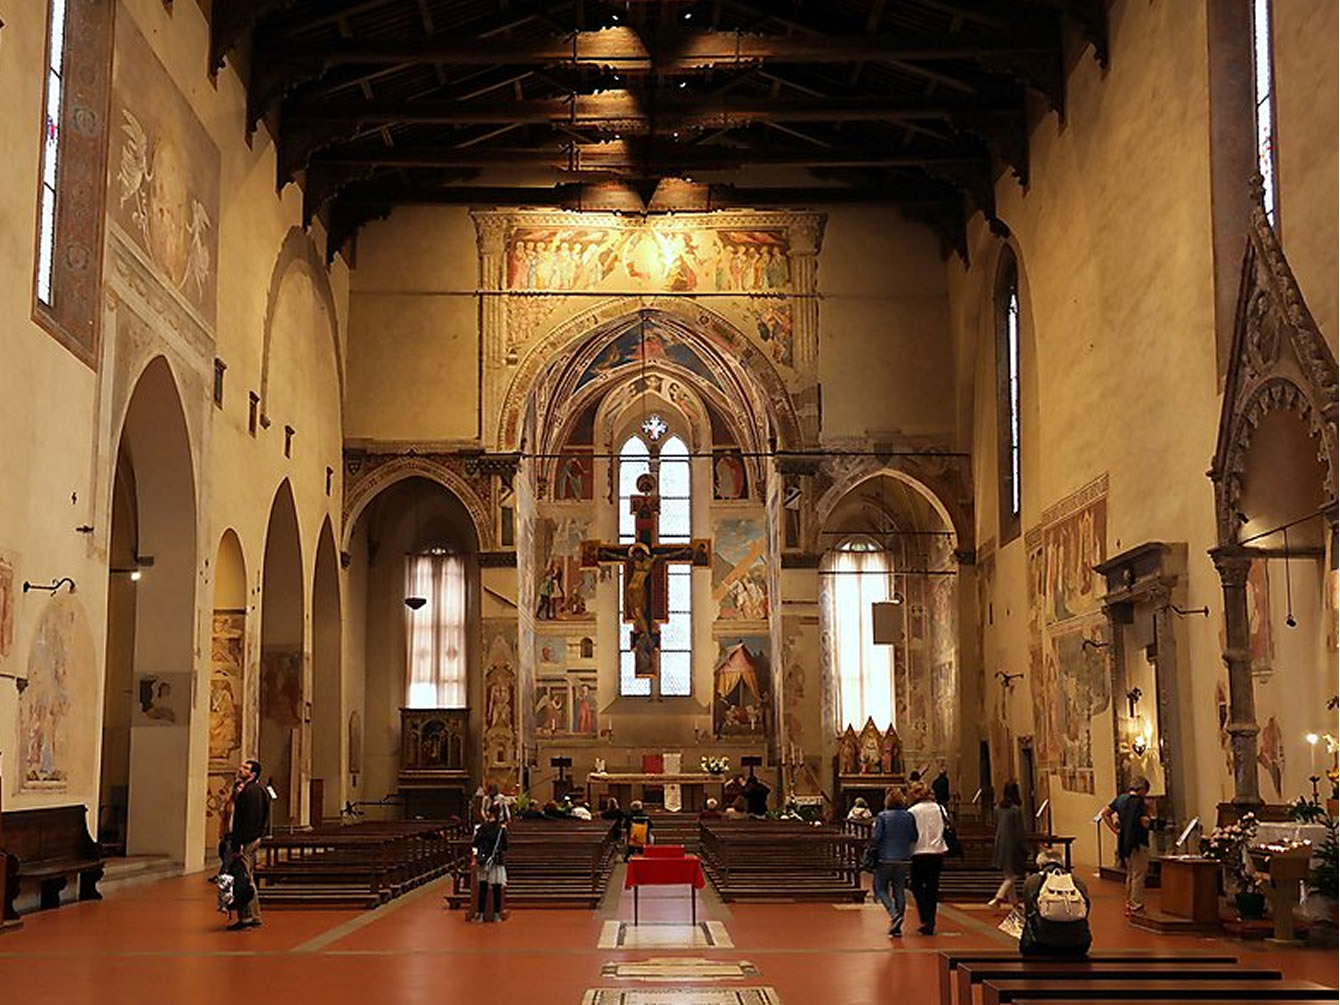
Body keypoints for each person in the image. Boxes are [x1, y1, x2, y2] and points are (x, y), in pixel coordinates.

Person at [1019, 848, 1091, 957]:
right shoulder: (1077, 881)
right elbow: (1086, 909)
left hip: (1040, 944)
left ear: (1040, 864)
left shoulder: (1032, 881)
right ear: (1062, 863)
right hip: (1078, 945)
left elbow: (1028, 913)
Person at [226, 759, 269, 931]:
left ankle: (247, 917)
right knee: (247, 877)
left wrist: (239, 844)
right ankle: (254, 915)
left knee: (243, 879)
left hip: (247, 840)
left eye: (245, 768)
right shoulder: (258, 790)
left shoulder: (250, 792)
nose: (240, 769)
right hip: (252, 838)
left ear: (252, 774)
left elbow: (246, 820)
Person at [1101, 776, 1153, 914]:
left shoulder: (1121, 799)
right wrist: (1151, 813)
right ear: (1142, 789)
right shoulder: (1139, 802)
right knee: (1139, 874)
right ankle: (1136, 904)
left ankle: (1129, 902)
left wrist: (1115, 830)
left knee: (1130, 874)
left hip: (1124, 841)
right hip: (1138, 841)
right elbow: (1145, 822)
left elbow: (1105, 813)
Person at [870, 788, 918, 937]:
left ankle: (894, 914)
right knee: (899, 889)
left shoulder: (882, 816)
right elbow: (914, 836)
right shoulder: (909, 816)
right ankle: (898, 923)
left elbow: (876, 837)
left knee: (880, 888)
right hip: (903, 858)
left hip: (885, 857)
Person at [908, 784, 949, 935]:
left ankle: (925, 915)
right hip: (937, 851)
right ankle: (931, 920)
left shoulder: (912, 811)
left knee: (916, 886)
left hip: (919, 851)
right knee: (932, 887)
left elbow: (910, 832)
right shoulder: (940, 809)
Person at [989, 781, 1028, 909]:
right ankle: (998, 896)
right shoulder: (1016, 810)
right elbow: (1019, 831)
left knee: (1008, 874)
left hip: (1000, 842)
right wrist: (1024, 847)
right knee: (1016, 873)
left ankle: (1014, 903)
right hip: (1012, 844)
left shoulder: (998, 808)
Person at [470, 803, 509, 923]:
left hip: (483, 860)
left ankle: (480, 915)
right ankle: (496, 915)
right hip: (496, 860)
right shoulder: (501, 829)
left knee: (483, 887)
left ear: (488, 813)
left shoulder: (482, 828)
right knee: (497, 888)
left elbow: (475, 843)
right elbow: (505, 846)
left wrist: (478, 854)